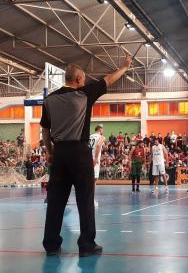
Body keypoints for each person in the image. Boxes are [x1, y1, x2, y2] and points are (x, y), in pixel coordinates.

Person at [40, 56, 132, 257]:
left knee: (55, 201)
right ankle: (87, 244)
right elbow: (109, 79)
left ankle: (51, 244)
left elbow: (45, 130)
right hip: (80, 153)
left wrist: (49, 152)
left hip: (60, 153)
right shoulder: (84, 94)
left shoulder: (49, 100)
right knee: (85, 200)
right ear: (79, 78)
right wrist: (124, 67)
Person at [89, 125, 105, 207]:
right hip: (94, 161)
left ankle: (86, 199)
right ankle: (91, 200)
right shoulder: (101, 137)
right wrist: (95, 158)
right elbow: (98, 145)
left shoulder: (90, 136)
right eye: (103, 129)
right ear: (100, 129)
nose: (103, 130)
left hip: (87, 159)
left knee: (87, 180)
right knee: (93, 181)